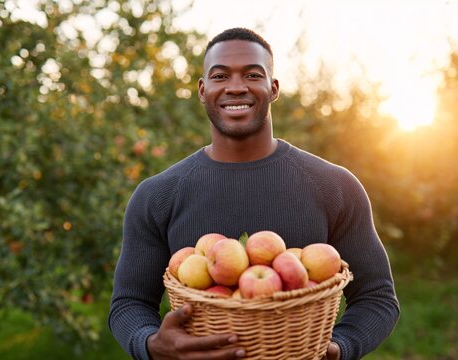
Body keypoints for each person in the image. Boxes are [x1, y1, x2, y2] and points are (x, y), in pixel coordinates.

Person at [108, 27, 400, 360]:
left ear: (273, 88)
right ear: (203, 90)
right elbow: (129, 303)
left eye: (252, 74)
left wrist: (337, 348)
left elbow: (377, 296)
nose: (235, 87)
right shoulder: (158, 195)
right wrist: (150, 344)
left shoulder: (334, 186)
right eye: (220, 76)